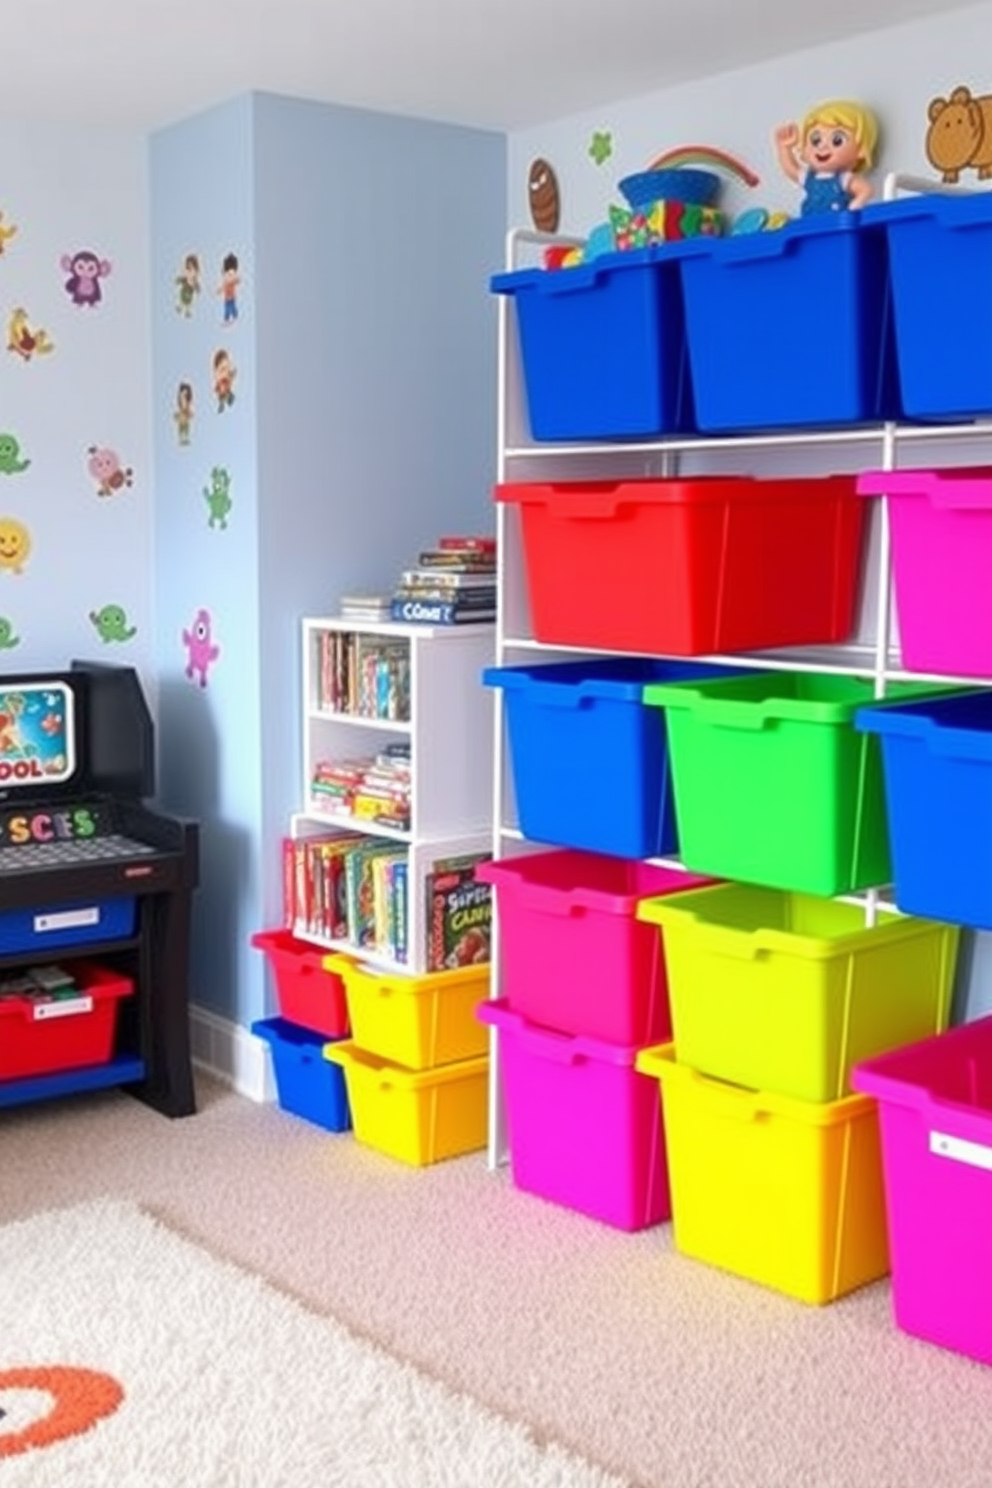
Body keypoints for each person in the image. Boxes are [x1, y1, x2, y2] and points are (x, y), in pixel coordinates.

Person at [775, 101, 878, 215]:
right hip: (810, 225)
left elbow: (866, 190)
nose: (823, 147)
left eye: (837, 141)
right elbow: (791, 170)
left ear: (861, 150)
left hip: (836, 225)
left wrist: (855, 206)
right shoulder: (809, 178)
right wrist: (784, 148)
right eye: (816, 140)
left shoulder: (844, 179)